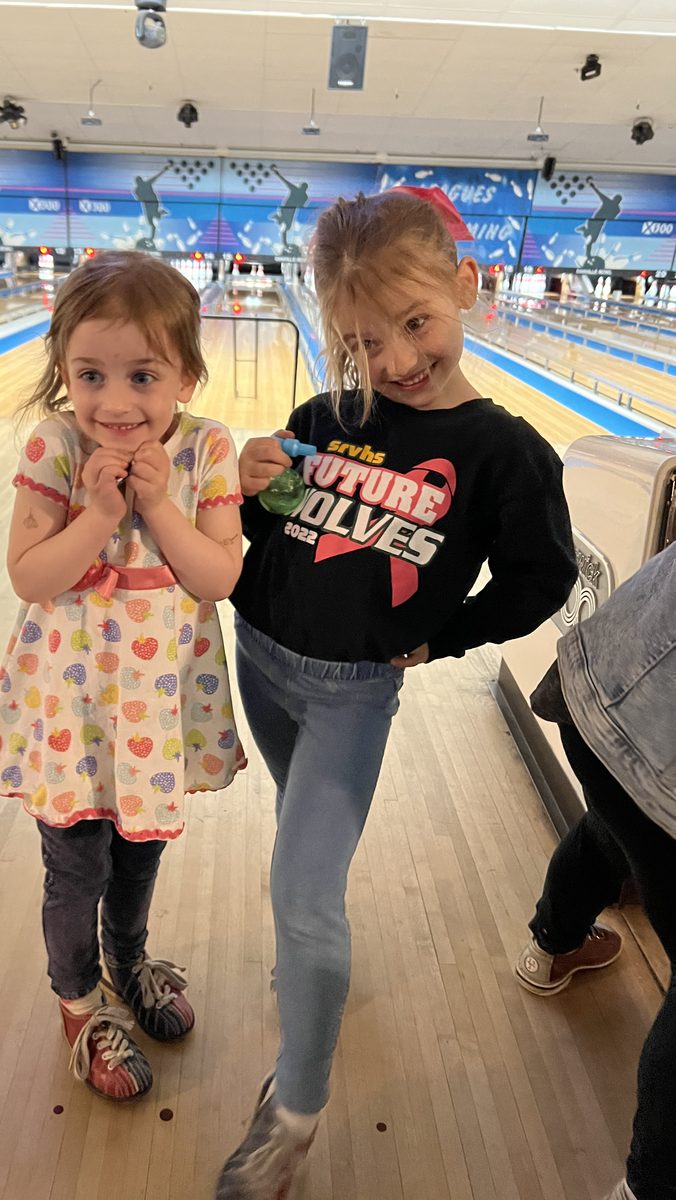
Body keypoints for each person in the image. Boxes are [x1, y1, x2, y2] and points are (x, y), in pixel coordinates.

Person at [216, 189, 578, 1198]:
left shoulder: (503, 453)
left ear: (466, 286)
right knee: (295, 826)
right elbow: (271, 539)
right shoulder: (325, 417)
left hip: (349, 694)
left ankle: (293, 1113)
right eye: (365, 342)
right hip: (260, 655)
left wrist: (444, 634)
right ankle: (307, 977)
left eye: (414, 324)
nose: (397, 360)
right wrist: (237, 491)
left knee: (302, 891)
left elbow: (538, 581)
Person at [0, 250, 246, 1102]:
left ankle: (128, 962)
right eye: (90, 375)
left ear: (187, 377)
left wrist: (158, 503)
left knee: (137, 858)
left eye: (143, 375)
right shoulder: (54, 444)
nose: (116, 402)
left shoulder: (208, 450)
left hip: (157, 710)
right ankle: (79, 1000)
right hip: (72, 706)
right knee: (75, 869)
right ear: (63, 372)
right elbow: (31, 577)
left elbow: (217, 577)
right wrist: (98, 513)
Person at [515, 542, 676, 1200]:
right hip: (658, 741)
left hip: (602, 680)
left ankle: (550, 947)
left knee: (616, 818)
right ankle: (649, 1187)